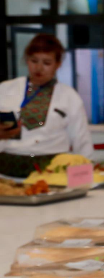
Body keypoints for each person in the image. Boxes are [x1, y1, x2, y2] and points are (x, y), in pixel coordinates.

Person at [0, 34, 92, 177]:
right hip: (6, 173)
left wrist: (85, 180)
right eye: (34, 61)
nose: (39, 68)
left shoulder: (69, 96)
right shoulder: (5, 89)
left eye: (47, 63)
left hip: (53, 174)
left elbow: (82, 141)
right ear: (26, 60)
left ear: (58, 64)